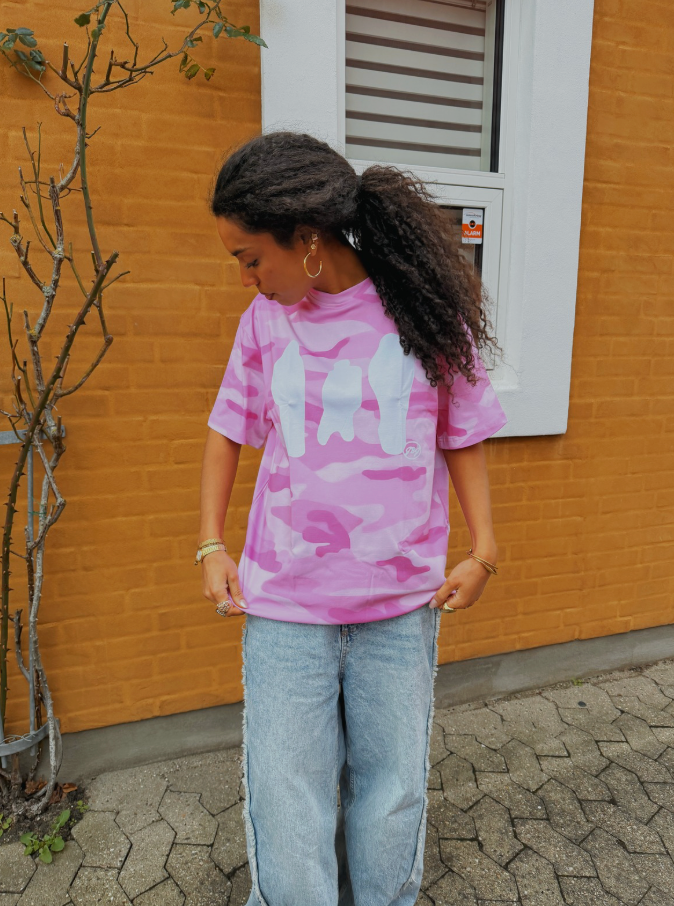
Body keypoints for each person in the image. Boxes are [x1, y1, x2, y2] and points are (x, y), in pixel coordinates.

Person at [197, 131, 507, 906]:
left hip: (399, 607)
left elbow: (461, 434)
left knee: (392, 788)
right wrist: (210, 544)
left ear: (306, 240)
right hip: (285, 608)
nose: (246, 278)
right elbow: (227, 428)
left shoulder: (422, 312)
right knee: (285, 796)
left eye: (249, 258)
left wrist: (484, 550)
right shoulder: (264, 324)